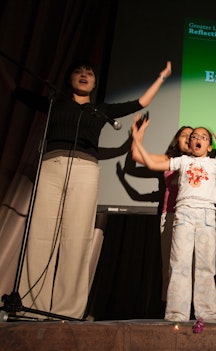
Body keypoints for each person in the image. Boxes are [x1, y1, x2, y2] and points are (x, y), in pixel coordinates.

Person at [18, 60, 172, 320]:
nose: (84, 75)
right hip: (51, 165)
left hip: (86, 169)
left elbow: (140, 103)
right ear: (69, 79)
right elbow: (17, 93)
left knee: (76, 236)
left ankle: (66, 310)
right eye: (78, 71)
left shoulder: (99, 110)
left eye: (89, 72)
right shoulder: (57, 103)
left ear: (95, 82)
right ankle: (31, 306)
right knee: (41, 233)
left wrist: (162, 77)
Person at [132, 115, 216, 322]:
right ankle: (177, 313)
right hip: (183, 214)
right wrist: (137, 138)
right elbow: (150, 162)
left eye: (204, 137)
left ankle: (208, 314)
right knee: (179, 264)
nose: (197, 139)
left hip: (206, 215)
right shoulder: (182, 160)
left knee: (205, 266)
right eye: (194, 136)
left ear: (209, 145)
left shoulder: (213, 163)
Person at [131, 123, 193, 304]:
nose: (188, 138)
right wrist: (138, 135)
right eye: (184, 135)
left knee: (190, 266)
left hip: (193, 217)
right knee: (169, 265)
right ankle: (170, 310)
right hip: (171, 215)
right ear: (177, 140)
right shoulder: (169, 159)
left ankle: (189, 309)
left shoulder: (201, 161)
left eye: (192, 135)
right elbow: (137, 155)